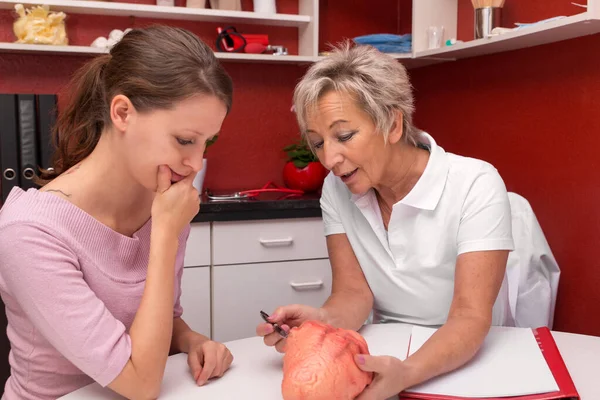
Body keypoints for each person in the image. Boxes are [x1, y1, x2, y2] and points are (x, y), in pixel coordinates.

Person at [256, 42, 515, 400]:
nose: (329, 158)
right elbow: (353, 293)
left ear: (393, 124)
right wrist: (320, 322)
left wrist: (406, 374)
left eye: (344, 136)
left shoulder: (475, 183)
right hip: (388, 351)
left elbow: (469, 317)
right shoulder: (337, 188)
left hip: (465, 360)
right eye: (317, 143)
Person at [0, 25, 234, 400]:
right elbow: (140, 383)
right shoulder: (30, 232)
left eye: (207, 142)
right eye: (185, 140)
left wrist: (191, 340)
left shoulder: (163, 202)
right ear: (123, 113)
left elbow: (158, 318)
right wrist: (165, 234)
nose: (195, 163)